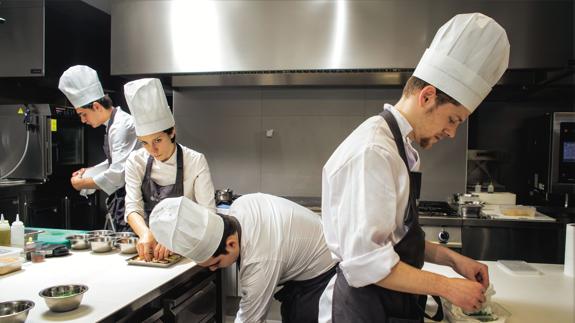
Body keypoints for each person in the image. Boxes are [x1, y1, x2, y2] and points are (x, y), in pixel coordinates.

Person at [320, 13, 510, 322]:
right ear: (427, 96)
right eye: (453, 119)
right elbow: (367, 262)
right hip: (363, 310)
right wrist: (449, 288)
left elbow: (396, 240)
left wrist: (453, 260)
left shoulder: (400, 147)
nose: (451, 133)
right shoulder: (374, 152)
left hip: (389, 305)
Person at [149, 193, 337, 323]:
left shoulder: (259, 259)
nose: (214, 269)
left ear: (231, 244)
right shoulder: (240, 207)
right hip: (310, 255)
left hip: (321, 273)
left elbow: (251, 318)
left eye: (216, 263)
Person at [123, 78, 216, 262]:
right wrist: (145, 234)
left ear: (172, 131)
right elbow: (133, 207)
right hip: (151, 247)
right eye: (145, 143)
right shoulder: (136, 161)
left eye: (157, 140)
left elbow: (208, 214)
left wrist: (177, 238)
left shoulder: (195, 161)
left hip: (187, 245)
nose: (152, 150)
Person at [58, 65, 139, 232]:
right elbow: (117, 161)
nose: (83, 120)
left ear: (96, 106)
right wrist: (90, 171)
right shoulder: (113, 124)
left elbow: (118, 174)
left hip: (135, 200)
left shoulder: (120, 127)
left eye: (83, 114)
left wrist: (81, 183)